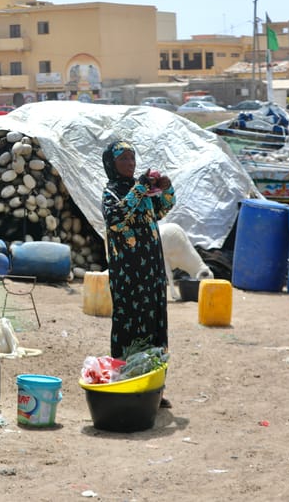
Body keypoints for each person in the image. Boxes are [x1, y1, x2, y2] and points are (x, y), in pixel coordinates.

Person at [101, 140, 175, 408]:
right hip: (129, 276)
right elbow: (117, 220)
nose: (130, 164)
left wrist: (166, 190)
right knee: (128, 325)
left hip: (152, 273)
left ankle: (153, 387)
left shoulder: (142, 193)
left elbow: (162, 210)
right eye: (123, 160)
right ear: (111, 164)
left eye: (132, 159)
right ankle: (124, 382)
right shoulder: (111, 194)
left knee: (155, 324)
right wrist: (140, 189)